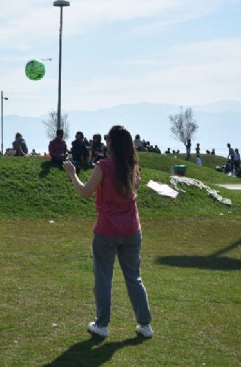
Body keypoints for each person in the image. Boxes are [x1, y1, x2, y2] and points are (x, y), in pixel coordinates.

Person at [63, 125, 153, 339]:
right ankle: (145, 324)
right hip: (132, 229)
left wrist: (72, 174)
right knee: (134, 278)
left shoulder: (103, 165)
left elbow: (85, 192)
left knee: (103, 278)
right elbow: (132, 188)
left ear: (111, 142)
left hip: (107, 230)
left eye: (107, 138)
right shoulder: (132, 165)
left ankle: (102, 325)